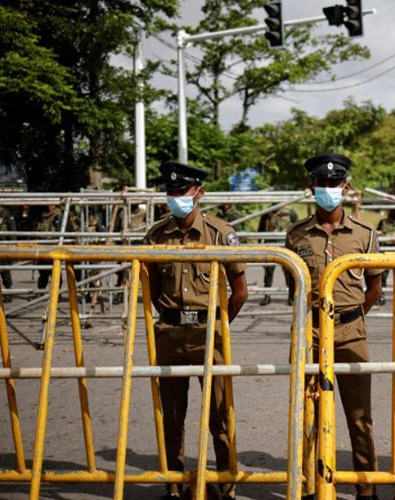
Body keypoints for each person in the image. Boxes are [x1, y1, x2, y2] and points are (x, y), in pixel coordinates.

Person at [144, 161, 249, 500]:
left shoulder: (221, 234)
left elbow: (240, 290)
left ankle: (225, 485)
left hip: (210, 334)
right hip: (170, 333)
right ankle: (173, 485)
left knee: (220, 416)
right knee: (171, 417)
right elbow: (154, 288)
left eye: (182, 191)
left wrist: (217, 325)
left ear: (199, 193)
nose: (175, 197)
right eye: (170, 192)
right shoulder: (156, 236)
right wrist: (175, 318)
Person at [285, 153, 382, 500]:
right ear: (312, 187)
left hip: (351, 331)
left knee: (359, 416)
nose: (328, 189)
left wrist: (351, 315)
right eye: (322, 183)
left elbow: (374, 287)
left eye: (334, 183)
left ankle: (366, 487)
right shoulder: (296, 235)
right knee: (308, 413)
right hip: (310, 332)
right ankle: (312, 485)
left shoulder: (366, 235)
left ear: (346, 186)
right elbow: (292, 287)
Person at [258, 206, 299, 306]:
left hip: (285, 244)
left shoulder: (290, 212)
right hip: (271, 245)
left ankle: (291, 296)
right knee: (268, 271)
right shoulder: (267, 212)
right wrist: (260, 243)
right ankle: (267, 295)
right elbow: (261, 229)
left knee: (289, 271)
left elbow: (297, 228)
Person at [375, 208, 395, 306]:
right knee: (382, 277)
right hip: (385, 251)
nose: (394, 213)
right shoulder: (383, 222)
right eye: (392, 211)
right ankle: (381, 297)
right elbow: (377, 235)